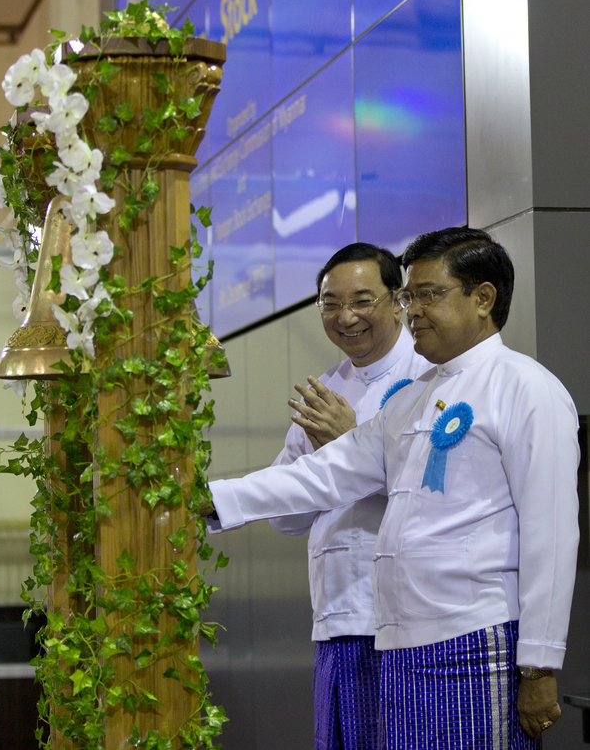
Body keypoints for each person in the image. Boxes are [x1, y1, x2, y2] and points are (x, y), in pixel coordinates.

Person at [205, 227, 580, 749]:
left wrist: (539, 665)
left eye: (429, 294)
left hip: (477, 639)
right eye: (409, 296)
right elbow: (323, 474)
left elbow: (552, 533)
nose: (414, 310)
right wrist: (212, 499)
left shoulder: (526, 386)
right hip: (400, 642)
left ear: (483, 298)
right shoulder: (412, 399)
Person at [269, 243, 428, 750]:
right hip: (335, 619)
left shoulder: (427, 375)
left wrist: (349, 444)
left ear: (398, 298)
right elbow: (286, 515)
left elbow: (438, 491)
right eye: (330, 303)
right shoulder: (328, 387)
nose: (346, 317)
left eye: (362, 300)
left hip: (405, 622)